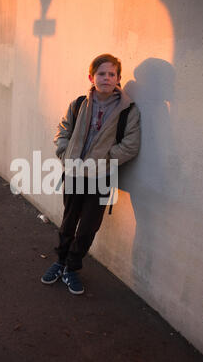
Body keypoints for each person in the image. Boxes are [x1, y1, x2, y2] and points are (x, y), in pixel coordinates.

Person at [41, 53, 141, 295]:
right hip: (74, 174)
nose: (106, 78)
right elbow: (63, 130)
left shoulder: (128, 110)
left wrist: (103, 162)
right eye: (101, 74)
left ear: (118, 78)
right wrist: (65, 153)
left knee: (88, 227)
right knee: (68, 221)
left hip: (102, 178)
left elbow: (130, 144)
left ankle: (72, 268)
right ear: (91, 77)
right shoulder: (78, 104)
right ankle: (60, 261)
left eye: (111, 74)